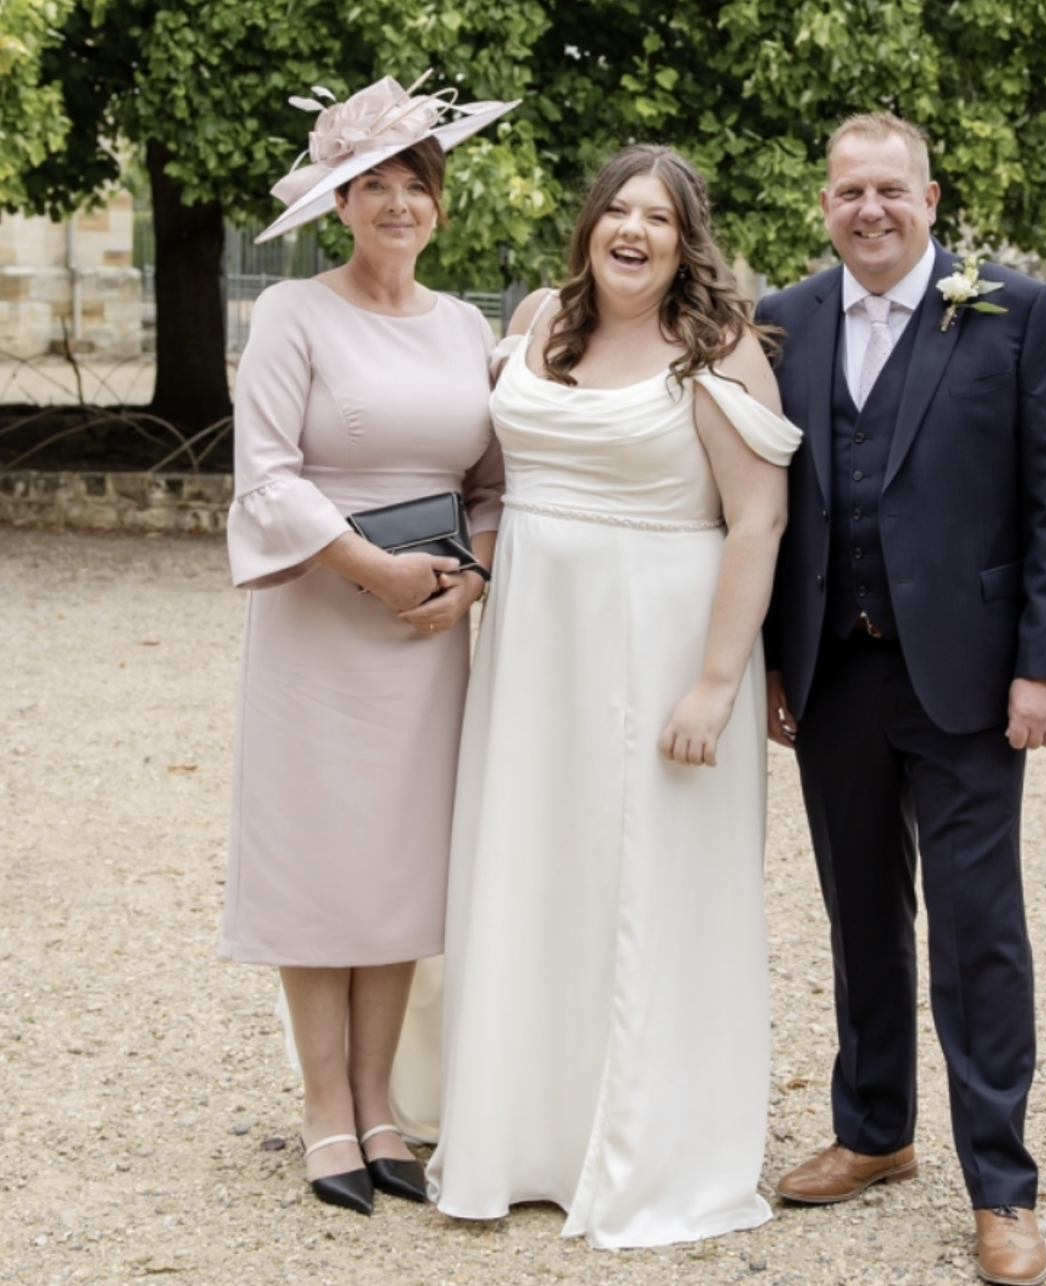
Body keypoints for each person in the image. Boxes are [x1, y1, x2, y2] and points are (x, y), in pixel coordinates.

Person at [420, 145, 801, 1247]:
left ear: (687, 242)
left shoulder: (715, 344)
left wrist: (717, 683)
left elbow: (758, 520)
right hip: (534, 646)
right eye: (617, 210)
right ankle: (524, 1132)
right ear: (589, 223)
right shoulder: (540, 318)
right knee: (534, 867)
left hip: (663, 645)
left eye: (660, 218)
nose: (633, 230)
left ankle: (646, 1143)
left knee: (650, 887)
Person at [756, 112, 1046, 1286]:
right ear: (826, 206)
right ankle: (873, 1129)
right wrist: (769, 661)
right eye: (848, 191)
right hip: (831, 670)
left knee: (977, 930)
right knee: (858, 910)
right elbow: (765, 505)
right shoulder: (782, 318)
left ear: (931, 199)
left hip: (967, 675)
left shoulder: (1012, 311)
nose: (870, 210)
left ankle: (1002, 1183)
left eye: (890, 190)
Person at [218, 72, 516, 1215]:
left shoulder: (462, 325)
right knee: (319, 855)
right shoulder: (293, 313)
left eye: (415, 184)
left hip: (427, 633)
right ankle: (323, 1105)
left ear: (439, 202)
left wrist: (471, 577)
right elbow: (267, 476)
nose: (397, 203)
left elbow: (492, 482)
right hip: (320, 623)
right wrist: (371, 567)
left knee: (399, 859)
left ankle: (383, 1103)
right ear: (337, 205)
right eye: (372, 185)